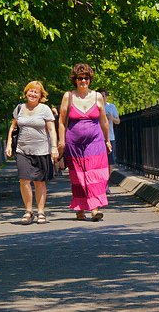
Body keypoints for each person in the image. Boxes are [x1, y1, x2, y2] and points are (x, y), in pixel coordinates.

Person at [57, 63, 111, 221]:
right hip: (74, 143)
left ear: (90, 79)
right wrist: (61, 141)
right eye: (80, 78)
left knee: (95, 175)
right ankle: (80, 208)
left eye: (86, 78)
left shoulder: (97, 96)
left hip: (95, 142)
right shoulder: (69, 96)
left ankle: (95, 209)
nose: (83, 81)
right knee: (78, 176)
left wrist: (107, 140)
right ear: (75, 80)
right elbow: (61, 121)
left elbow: (104, 122)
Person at [6, 81, 58, 225]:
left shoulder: (45, 109)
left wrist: (54, 147)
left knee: (39, 182)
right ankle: (28, 211)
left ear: (41, 95)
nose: (33, 94)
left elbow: (52, 130)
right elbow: (13, 127)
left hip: (41, 150)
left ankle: (41, 212)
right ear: (26, 92)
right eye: (30, 91)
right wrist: (9, 143)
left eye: (36, 92)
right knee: (24, 179)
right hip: (22, 149)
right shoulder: (19, 108)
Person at [97, 88, 120, 187]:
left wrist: (111, 118)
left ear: (106, 97)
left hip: (110, 137)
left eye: (104, 96)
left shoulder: (111, 107)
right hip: (97, 138)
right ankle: (101, 183)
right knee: (99, 163)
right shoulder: (95, 107)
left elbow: (118, 121)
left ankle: (105, 183)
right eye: (100, 96)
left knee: (110, 163)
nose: (102, 98)